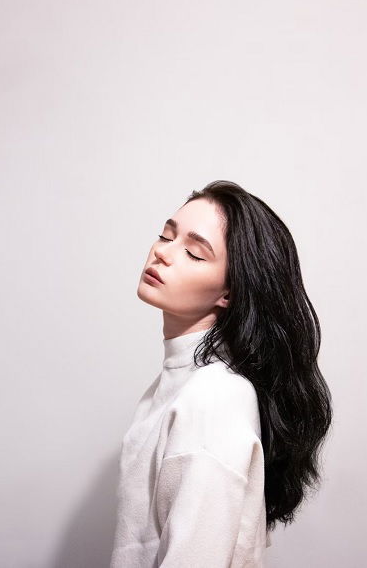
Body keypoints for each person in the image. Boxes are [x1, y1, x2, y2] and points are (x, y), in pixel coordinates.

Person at [109, 180, 333, 567]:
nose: (163, 253)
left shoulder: (213, 397)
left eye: (194, 253)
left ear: (228, 293)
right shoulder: (176, 386)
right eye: (166, 235)